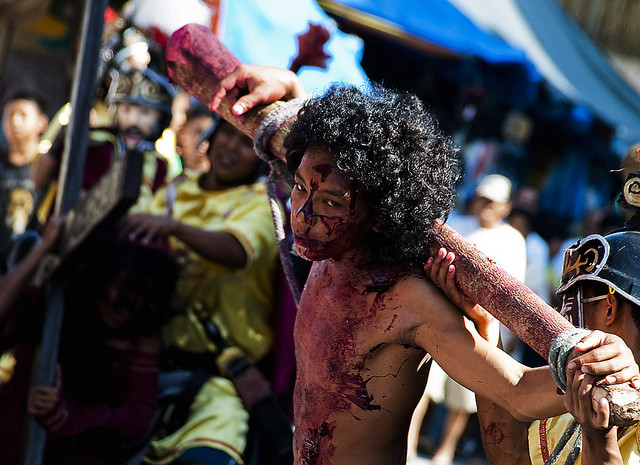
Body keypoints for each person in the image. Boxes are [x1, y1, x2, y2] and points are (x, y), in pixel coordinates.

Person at [207, 64, 639, 465]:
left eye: (330, 204)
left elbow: (518, 391)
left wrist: (608, 368)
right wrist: (294, 86)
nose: (302, 215)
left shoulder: (408, 301)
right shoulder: (326, 254)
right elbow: (300, 151)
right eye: (300, 190)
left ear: (380, 215)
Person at [119, 117, 280, 465]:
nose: (231, 148)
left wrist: (174, 228)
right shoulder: (175, 190)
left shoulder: (261, 205)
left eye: (246, 143)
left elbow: (238, 252)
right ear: (211, 135)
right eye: (226, 133)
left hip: (221, 385)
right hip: (142, 369)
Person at [0, 224, 179, 465]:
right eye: (125, 284)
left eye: (143, 289)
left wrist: (69, 414)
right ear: (103, 276)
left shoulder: (140, 331)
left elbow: (138, 416)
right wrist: (42, 250)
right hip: (15, 435)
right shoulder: (57, 300)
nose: (130, 300)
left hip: (84, 450)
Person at [0, 89, 50, 262]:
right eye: (9, 114)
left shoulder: (51, 168)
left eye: (22, 114)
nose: (15, 121)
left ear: (42, 123)